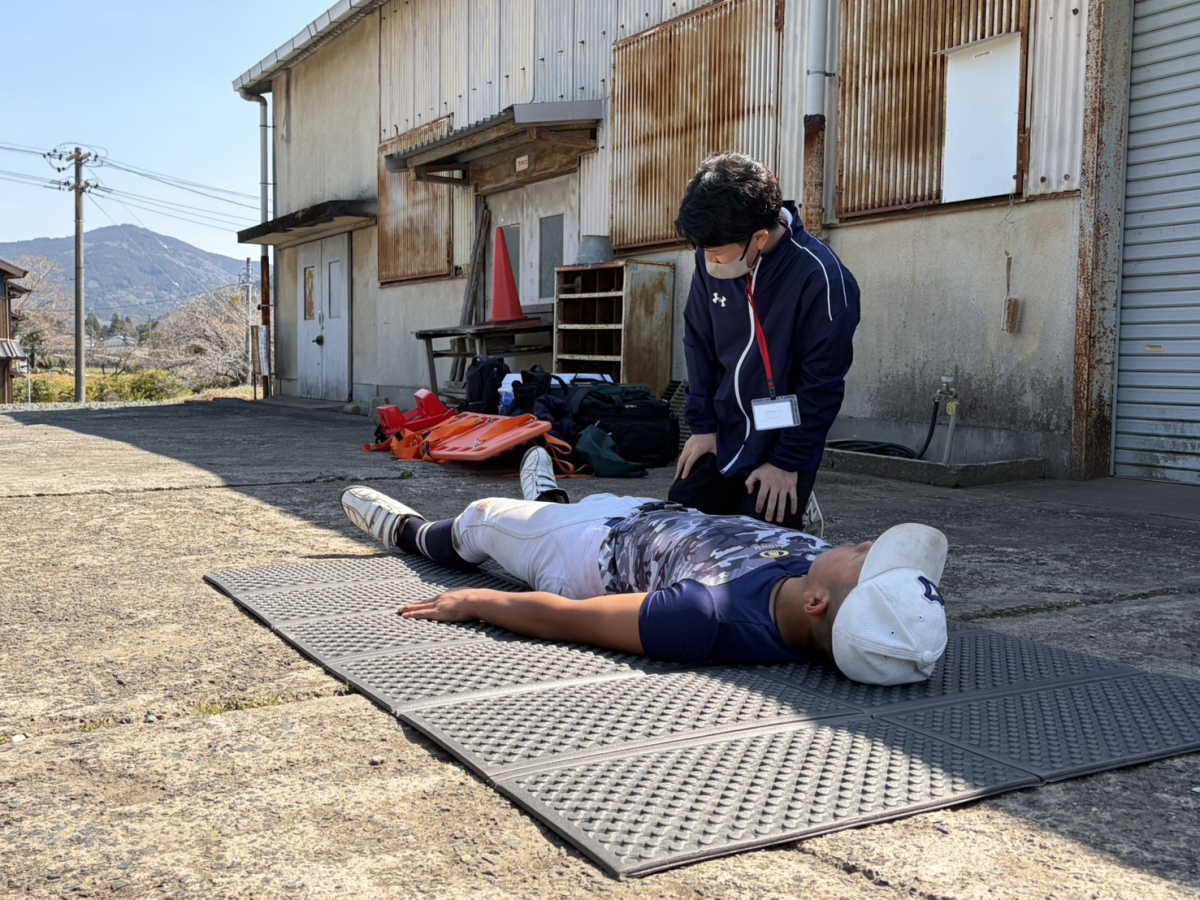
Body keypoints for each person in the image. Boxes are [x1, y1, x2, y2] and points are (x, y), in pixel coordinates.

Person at [339, 448, 949, 686]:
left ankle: (416, 534)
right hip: (654, 514)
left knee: (479, 522)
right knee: (548, 512)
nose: (868, 546)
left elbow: (571, 618)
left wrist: (472, 603)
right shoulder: (829, 590)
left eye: (868, 561)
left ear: (818, 605)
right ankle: (544, 500)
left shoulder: (706, 617)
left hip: (589, 550)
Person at [670, 153, 861, 531]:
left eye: (717, 254)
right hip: (722, 431)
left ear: (758, 238)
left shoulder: (821, 277)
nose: (710, 262)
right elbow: (698, 342)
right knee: (678, 530)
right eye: (704, 253)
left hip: (784, 442)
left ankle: (800, 504)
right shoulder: (715, 255)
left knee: (759, 552)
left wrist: (787, 462)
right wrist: (702, 427)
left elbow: (821, 384)